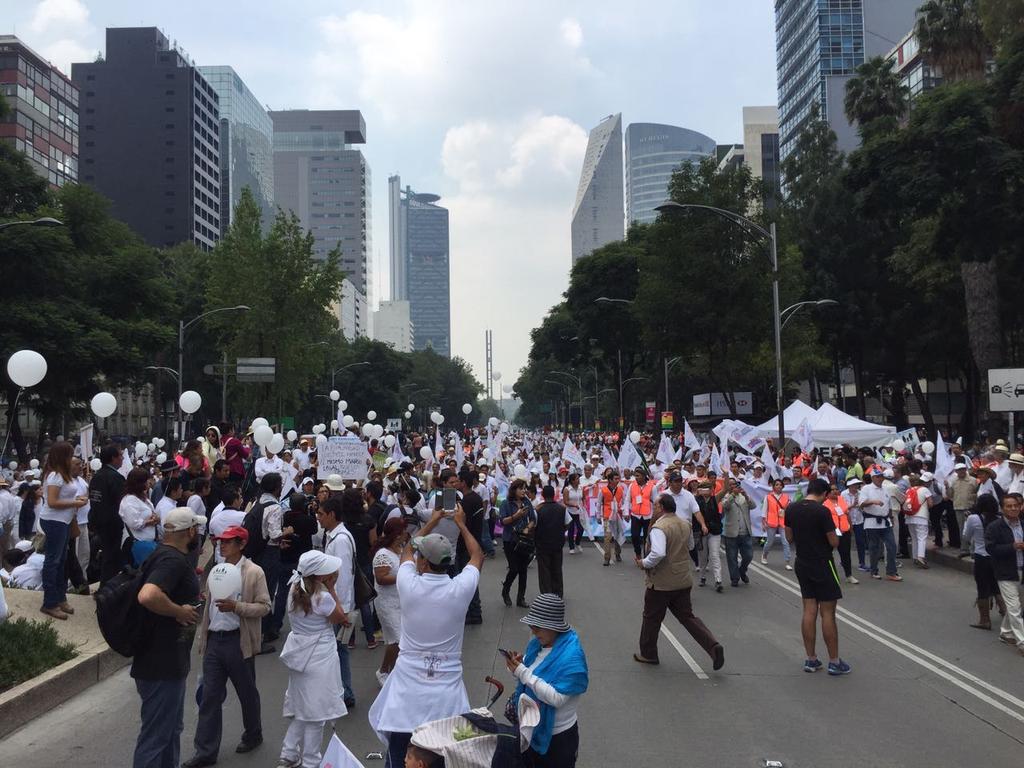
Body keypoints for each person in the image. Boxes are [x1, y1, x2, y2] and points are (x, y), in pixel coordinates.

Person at [368, 503, 484, 768]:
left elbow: (408, 549)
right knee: (440, 759)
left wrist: (433, 520)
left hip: (405, 697)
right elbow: (477, 555)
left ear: (423, 562)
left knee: (399, 757)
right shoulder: (460, 589)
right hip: (446, 698)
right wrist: (460, 523)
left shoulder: (408, 584)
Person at [183, 525, 270, 768]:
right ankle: (205, 751)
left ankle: (253, 733)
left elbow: (265, 606)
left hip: (238, 641)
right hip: (214, 641)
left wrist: (238, 607)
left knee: (247, 693)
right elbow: (209, 603)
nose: (222, 546)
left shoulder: (254, 572)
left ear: (241, 545)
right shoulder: (216, 571)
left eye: (229, 542)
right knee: (209, 697)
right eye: (221, 541)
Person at [132, 507, 205, 768]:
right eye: (196, 528)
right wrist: (179, 611)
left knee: (170, 730)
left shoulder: (164, 555)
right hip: (160, 662)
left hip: (166, 661)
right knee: (156, 736)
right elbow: (148, 595)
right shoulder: (172, 561)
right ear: (190, 532)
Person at [633, 494, 724, 671]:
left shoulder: (660, 527)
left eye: (656, 506)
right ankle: (712, 646)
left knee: (651, 618)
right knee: (688, 617)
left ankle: (649, 653)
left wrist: (644, 563)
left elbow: (658, 553)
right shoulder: (685, 524)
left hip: (662, 582)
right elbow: (690, 546)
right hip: (682, 579)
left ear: (660, 508)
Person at [276, 550, 349, 768]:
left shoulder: (293, 589)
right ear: (320, 575)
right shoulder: (322, 597)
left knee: (302, 707)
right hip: (320, 655)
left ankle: (289, 753)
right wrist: (333, 590)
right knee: (317, 714)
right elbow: (340, 617)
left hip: (299, 653)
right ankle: (310, 761)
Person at [504, 594, 588, 767]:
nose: (533, 631)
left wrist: (523, 673)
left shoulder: (572, 657)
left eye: (538, 627)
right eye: (531, 626)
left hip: (558, 739)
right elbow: (528, 674)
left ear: (554, 627)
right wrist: (518, 666)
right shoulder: (537, 645)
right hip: (532, 731)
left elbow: (556, 698)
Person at [784, 478, 850, 675]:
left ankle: (811, 659)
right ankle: (834, 661)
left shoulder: (792, 508)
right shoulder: (822, 511)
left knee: (809, 609)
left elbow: (789, 537)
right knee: (828, 612)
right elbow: (834, 541)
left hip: (802, 562)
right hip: (822, 562)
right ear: (822, 493)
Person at [38, 441, 86, 620]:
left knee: (61, 560)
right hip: (54, 521)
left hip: (63, 521)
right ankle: (49, 602)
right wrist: (76, 503)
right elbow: (52, 502)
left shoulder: (62, 475)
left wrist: (77, 499)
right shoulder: (55, 476)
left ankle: (59, 598)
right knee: (53, 561)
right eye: (70, 455)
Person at [318, 495, 358, 709]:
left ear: (332, 515)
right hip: (338, 604)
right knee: (339, 651)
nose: (319, 518)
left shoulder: (341, 539)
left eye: (321, 514)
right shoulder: (335, 536)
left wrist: (338, 609)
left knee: (334, 651)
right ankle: (345, 691)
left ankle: (342, 692)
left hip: (339, 606)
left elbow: (341, 577)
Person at [984, 493, 1024, 654]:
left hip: (1022, 571)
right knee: (1014, 607)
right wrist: (1012, 547)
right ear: (1003, 508)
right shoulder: (995, 527)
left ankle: (1006, 632)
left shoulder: (1022, 524)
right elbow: (991, 549)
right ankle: (1022, 642)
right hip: (1006, 573)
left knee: (1018, 606)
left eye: (1016, 505)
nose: (1013, 508)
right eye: (1009, 506)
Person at [372, 517, 407, 685]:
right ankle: (384, 670)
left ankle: (392, 670)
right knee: (398, 639)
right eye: (404, 531)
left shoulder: (401, 550)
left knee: (396, 639)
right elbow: (381, 578)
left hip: (401, 601)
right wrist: (403, 577)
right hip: (387, 602)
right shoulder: (383, 554)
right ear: (397, 534)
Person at [963, 494, 1003, 630]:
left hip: (981, 556)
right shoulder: (1000, 518)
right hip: (996, 556)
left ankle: (984, 619)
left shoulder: (973, 518)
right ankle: (1005, 612)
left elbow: (966, 536)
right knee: (996, 585)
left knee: (982, 588)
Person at [499, 478, 536, 608]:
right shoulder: (506, 503)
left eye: (525, 488)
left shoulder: (527, 502)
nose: (524, 491)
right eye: (521, 488)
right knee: (514, 569)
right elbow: (503, 521)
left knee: (523, 570)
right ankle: (506, 590)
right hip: (510, 540)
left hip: (524, 540)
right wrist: (517, 515)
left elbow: (532, 519)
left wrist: (527, 528)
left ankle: (521, 599)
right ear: (514, 490)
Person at [860, 468, 902, 581]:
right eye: (878, 477)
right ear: (873, 478)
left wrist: (891, 517)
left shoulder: (885, 489)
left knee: (892, 545)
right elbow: (861, 504)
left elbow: (888, 505)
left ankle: (891, 572)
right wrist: (873, 501)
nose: (880, 479)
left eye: (881, 477)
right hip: (872, 522)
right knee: (874, 547)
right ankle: (874, 570)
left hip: (885, 521)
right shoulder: (866, 489)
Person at [455, 468, 484, 624]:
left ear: (464, 483)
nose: (456, 484)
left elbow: (461, 522)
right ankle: (474, 611)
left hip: (466, 544)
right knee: (471, 578)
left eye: (458, 481)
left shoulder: (466, 501)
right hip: (474, 542)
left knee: (467, 580)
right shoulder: (477, 498)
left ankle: (474, 613)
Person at [120, 468, 160, 567]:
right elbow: (133, 523)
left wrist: (155, 518)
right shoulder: (129, 501)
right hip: (138, 542)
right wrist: (149, 522)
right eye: (147, 480)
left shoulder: (143, 497)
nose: (149, 482)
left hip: (151, 541)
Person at [534, 485, 568, 598]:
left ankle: (546, 594)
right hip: (557, 543)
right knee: (557, 568)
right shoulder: (562, 508)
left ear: (543, 495)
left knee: (544, 570)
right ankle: (558, 593)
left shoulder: (538, 509)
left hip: (542, 543)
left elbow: (533, 525)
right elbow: (567, 523)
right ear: (554, 495)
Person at [719, 477, 754, 587]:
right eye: (731, 485)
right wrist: (732, 495)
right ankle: (735, 578)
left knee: (748, 556)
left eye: (735, 484)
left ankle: (742, 571)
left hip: (745, 532)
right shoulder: (726, 497)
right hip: (731, 532)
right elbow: (725, 506)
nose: (733, 487)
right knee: (732, 557)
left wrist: (746, 496)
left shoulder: (744, 496)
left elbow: (753, 506)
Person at [695, 481, 723, 592]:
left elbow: (725, 489)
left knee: (715, 555)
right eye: (704, 488)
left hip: (714, 531)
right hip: (701, 533)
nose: (707, 490)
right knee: (703, 556)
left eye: (709, 488)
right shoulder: (695, 501)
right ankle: (702, 577)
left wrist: (725, 475)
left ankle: (718, 580)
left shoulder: (715, 499)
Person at [904, 473, 935, 569]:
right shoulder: (925, 490)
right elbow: (930, 504)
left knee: (914, 538)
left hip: (909, 517)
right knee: (922, 537)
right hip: (921, 517)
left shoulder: (909, 490)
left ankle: (915, 557)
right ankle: (921, 557)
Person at [948, 462, 979, 558]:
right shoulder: (954, 481)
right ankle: (964, 549)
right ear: (956, 471)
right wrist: (946, 487)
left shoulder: (973, 480)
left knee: (973, 529)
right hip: (958, 507)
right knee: (962, 530)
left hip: (970, 507)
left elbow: (977, 493)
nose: (961, 471)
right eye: (958, 470)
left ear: (965, 469)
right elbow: (950, 495)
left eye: (962, 469)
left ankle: (974, 550)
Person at [760, 479, 792, 569]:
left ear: (782, 486)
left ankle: (787, 562)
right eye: (776, 485)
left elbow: (789, 510)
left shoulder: (786, 497)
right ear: (773, 486)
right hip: (771, 522)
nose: (779, 486)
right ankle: (764, 555)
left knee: (785, 542)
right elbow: (764, 510)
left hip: (783, 522)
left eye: (780, 485)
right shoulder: (768, 497)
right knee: (769, 542)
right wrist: (763, 522)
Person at [626, 468, 656, 559]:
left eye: (638, 476)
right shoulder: (632, 486)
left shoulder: (652, 487)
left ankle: (646, 557)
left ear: (644, 476)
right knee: (635, 536)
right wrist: (626, 512)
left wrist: (655, 516)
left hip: (648, 516)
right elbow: (627, 500)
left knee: (647, 538)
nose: (636, 478)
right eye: (635, 476)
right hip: (636, 515)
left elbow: (656, 502)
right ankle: (638, 554)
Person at [599, 470, 625, 566]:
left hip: (618, 516)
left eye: (618, 478)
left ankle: (618, 553)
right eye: (615, 479)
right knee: (607, 537)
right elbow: (598, 503)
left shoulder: (621, 489)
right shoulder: (603, 490)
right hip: (607, 516)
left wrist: (624, 511)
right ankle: (607, 557)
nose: (618, 480)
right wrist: (598, 515)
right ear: (610, 480)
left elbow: (623, 502)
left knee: (618, 535)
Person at [562, 473, 585, 554]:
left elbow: (583, 498)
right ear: (572, 481)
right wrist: (574, 505)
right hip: (570, 512)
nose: (578, 480)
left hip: (579, 512)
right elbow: (565, 501)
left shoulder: (581, 488)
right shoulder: (567, 489)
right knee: (571, 530)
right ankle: (571, 547)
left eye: (578, 478)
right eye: (577, 479)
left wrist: (583, 506)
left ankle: (577, 542)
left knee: (581, 528)